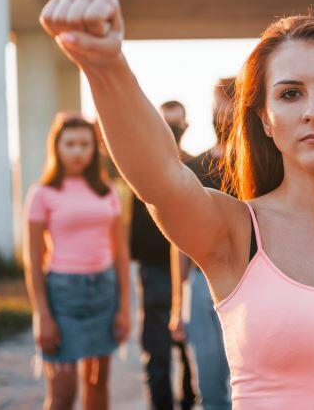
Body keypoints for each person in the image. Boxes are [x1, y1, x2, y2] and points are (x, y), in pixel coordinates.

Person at [39, 0, 314, 409]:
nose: (313, 110)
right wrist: (106, 65)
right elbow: (162, 178)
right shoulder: (235, 231)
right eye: (290, 94)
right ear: (265, 119)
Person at [23, 113, 130, 410]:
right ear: (56, 147)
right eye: (69, 144)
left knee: (98, 385)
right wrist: (42, 315)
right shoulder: (41, 194)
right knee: (62, 394)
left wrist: (124, 309)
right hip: (63, 296)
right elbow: (32, 259)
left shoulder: (107, 192)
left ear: (95, 148)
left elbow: (120, 252)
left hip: (104, 293)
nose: (78, 151)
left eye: (85, 144)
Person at [169, 78, 237, 410]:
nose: (223, 113)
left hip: (249, 279)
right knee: (210, 385)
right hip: (201, 283)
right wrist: (177, 304)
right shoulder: (193, 168)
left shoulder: (266, 168)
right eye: (218, 105)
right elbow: (179, 240)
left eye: (231, 104)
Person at [129, 100, 199, 410]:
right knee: (157, 351)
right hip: (154, 270)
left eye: (176, 125)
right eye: (166, 125)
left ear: (186, 127)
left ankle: (186, 403)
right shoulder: (139, 168)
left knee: (190, 351)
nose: (173, 132)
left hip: (192, 270)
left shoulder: (198, 168)